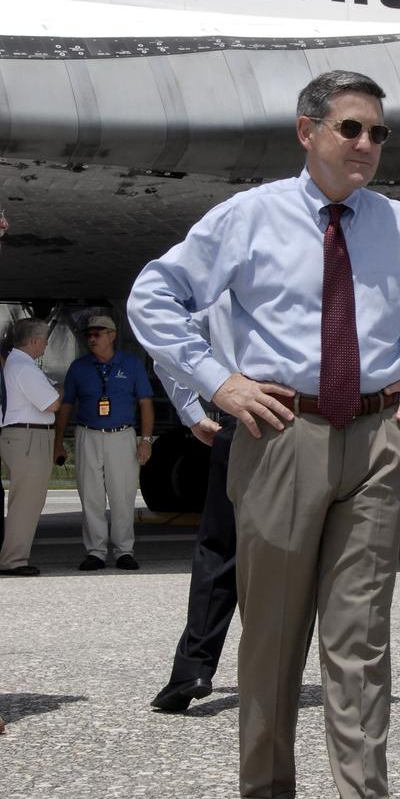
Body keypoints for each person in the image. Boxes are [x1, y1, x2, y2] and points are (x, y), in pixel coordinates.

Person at [128, 69, 400, 799]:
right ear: (306, 131)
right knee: (273, 632)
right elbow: (154, 295)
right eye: (351, 128)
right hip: (280, 436)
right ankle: (266, 795)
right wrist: (214, 380)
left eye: (378, 133)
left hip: (376, 439)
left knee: (360, 639)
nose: (367, 146)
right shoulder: (249, 216)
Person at [151, 294, 238, 712]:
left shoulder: (221, 285)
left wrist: (191, 412)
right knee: (297, 555)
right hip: (316, 423)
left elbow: (166, 349)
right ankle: (278, 672)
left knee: (220, 549)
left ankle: (193, 669)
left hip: (243, 421)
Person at [53, 315, 154, 571]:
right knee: (91, 495)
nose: (92, 338)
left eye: (98, 333)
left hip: (122, 435)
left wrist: (146, 440)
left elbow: (145, 403)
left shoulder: (131, 364)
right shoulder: (79, 367)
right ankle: (95, 551)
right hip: (88, 434)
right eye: (89, 334)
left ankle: (124, 550)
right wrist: (58, 440)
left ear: (112, 335)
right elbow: (66, 405)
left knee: (123, 494)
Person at [0, 318, 60, 577]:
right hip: (29, 437)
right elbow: (52, 404)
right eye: (45, 340)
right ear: (34, 341)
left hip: (23, 436)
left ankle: (13, 556)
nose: (46, 345)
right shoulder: (24, 368)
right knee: (26, 503)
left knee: (25, 500)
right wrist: (59, 390)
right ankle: (13, 560)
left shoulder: (16, 364)